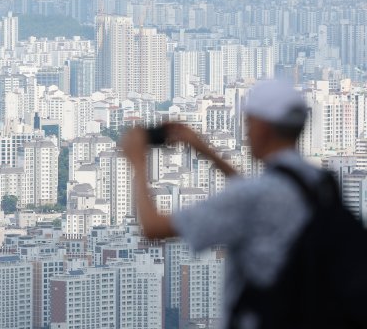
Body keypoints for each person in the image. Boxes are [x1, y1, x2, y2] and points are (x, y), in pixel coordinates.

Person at [122, 80, 318, 329]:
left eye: (248, 123)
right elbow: (256, 199)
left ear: (264, 128)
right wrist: (205, 150)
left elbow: (152, 228)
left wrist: (138, 161)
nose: (246, 132)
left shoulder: (254, 197)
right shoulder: (317, 183)